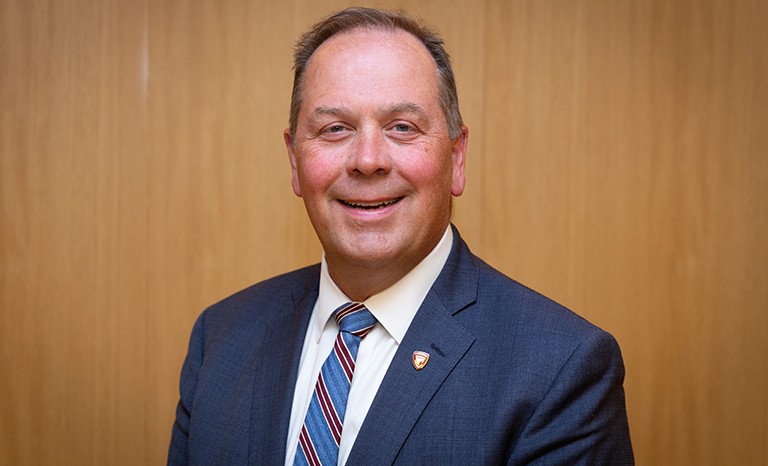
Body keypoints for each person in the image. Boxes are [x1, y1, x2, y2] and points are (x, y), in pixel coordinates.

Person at [168, 7, 633, 465]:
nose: (368, 160)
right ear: (294, 161)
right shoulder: (222, 339)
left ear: (456, 158)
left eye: (402, 127)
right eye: (335, 129)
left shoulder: (560, 369)